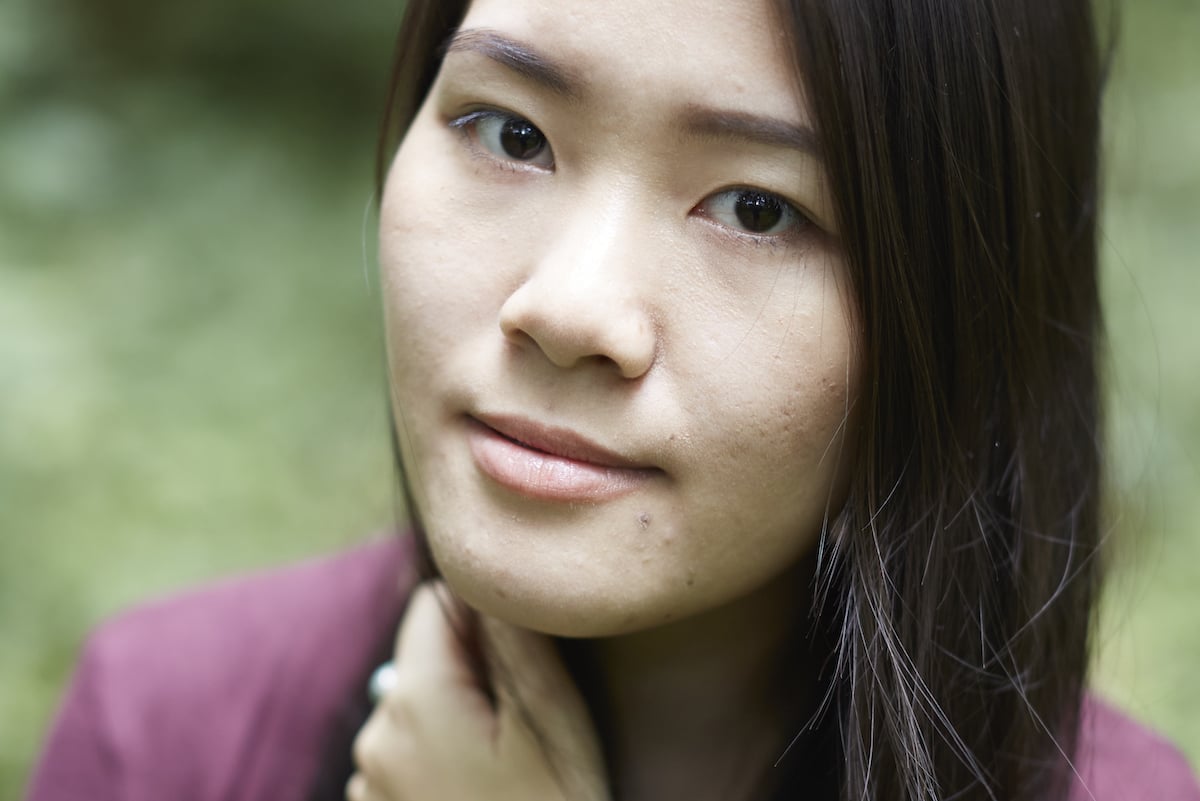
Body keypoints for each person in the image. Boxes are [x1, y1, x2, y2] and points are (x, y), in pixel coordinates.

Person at [24, 0, 1200, 799]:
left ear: (953, 320)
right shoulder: (168, 733)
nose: (568, 307)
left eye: (756, 208)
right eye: (511, 133)